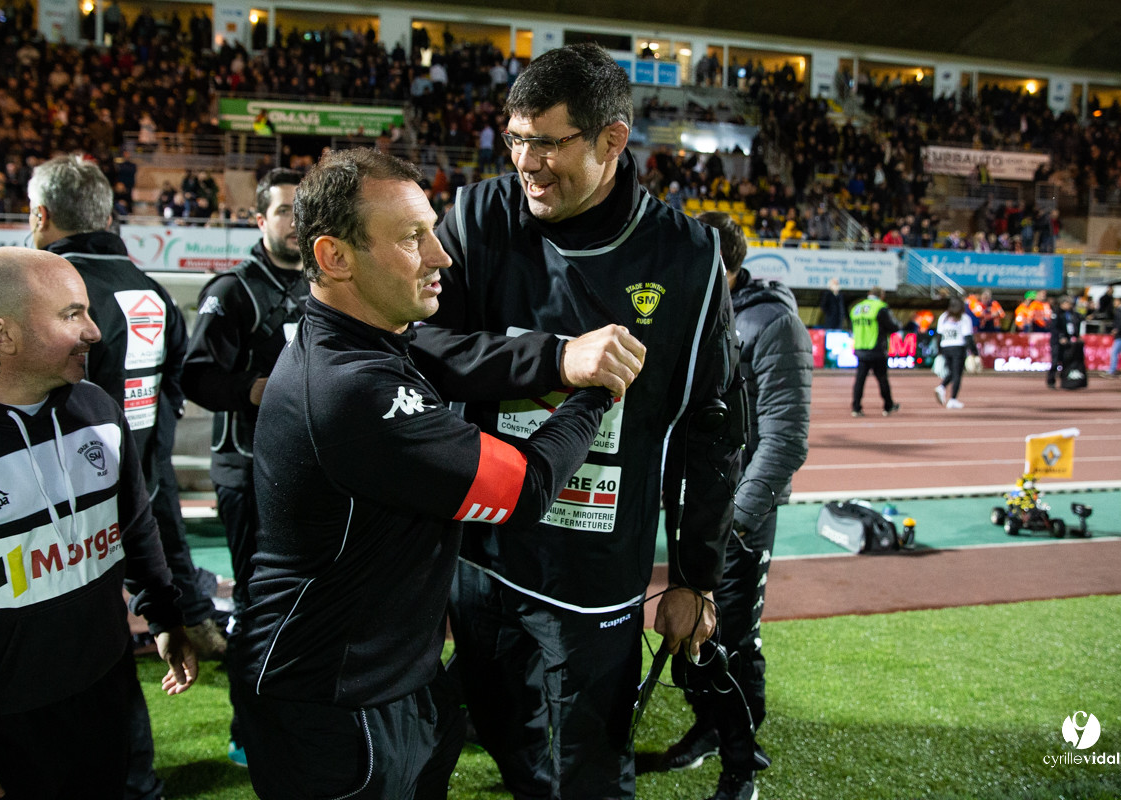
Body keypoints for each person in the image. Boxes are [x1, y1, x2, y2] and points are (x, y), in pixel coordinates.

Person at [233, 148, 642, 799]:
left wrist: (563, 355)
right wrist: (597, 391)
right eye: (412, 238)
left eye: (433, 230)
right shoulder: (353, 389)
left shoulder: (362, 338)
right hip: (334, 705)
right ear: (335, 257)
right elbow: (526, 488)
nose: (441, 255)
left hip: (391, 683)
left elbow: (459, 357)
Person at [410, 43, 744, 800]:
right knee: (501, 733)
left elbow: (713, 428)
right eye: (515, 139)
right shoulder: (479, 215)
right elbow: (422, 348)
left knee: (590, 767)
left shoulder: (687, 256)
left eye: (548, 144)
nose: (526, 164)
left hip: (594, 570)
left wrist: (696, 577)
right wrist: (555, 358)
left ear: (612, 140)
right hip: (483, 551)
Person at [0, 247, 197, 799]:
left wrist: (164, 615)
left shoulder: (98, 410)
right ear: (0, 334)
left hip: (104, 694)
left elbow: (134, 524)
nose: (94, 331)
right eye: (71, 314)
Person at [27, 154, 220, 799]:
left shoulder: (47, 289)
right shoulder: (151, 289)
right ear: (107, 215)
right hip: (136, 487)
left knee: (61, 661)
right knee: (106, 650)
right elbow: (170, 396)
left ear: (40, 215)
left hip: (60, 504)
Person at [658, 212, 811, 799]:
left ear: (726, 267)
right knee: (688, 635)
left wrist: (736, 522)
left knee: (732, 642)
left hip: (740, 516)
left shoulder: (773, 324)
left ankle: (741, 770)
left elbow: (786, 438)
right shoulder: (689, 312)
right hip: (693, 508)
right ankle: (707, 730)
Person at [180, 167, 309, 765]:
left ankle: (299, 718)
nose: (294, 222)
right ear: (259, 220)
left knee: (307, 601)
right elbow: (196, 375)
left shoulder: (325, 280)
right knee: (258, 603)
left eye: (301, 210)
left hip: (310, 470)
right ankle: (247, 729)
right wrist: (256, 389)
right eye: (282, 211)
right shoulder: (233, 290)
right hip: (248, 470)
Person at [849, 286, 900, 417]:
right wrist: (897, 326)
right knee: (882, 379)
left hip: (860, 348)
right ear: (881, 295)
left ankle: (856, 408)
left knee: (860, 380)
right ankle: (888, 406)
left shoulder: (856, 308)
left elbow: (851, 327)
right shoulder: (880, 307)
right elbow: (892, 326)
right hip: (876, 348)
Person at [934, 296, 978, 409]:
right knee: (957, 374)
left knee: (952, 372)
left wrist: (939, 351)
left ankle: (942, 387)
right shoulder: (964, 318)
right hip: (958, 348)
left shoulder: (943, 317)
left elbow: (939, 336)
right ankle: (952, 398)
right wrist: (975, 352)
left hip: (945, 347)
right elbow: (968, 337)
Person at [1047, 295, 1081, 389]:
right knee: (1055, 361)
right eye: (1068, 303)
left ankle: (1065, 381)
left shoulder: (1071, 313)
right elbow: (1054, 327)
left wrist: (1076, 336)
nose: (1070, 305)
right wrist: (1061, 337)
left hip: (1067, 340)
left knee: (1066, 361)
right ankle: (1051, 381)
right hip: (1057, 341)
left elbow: (1073, 325)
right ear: (1063, 303)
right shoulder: (1056, 313)